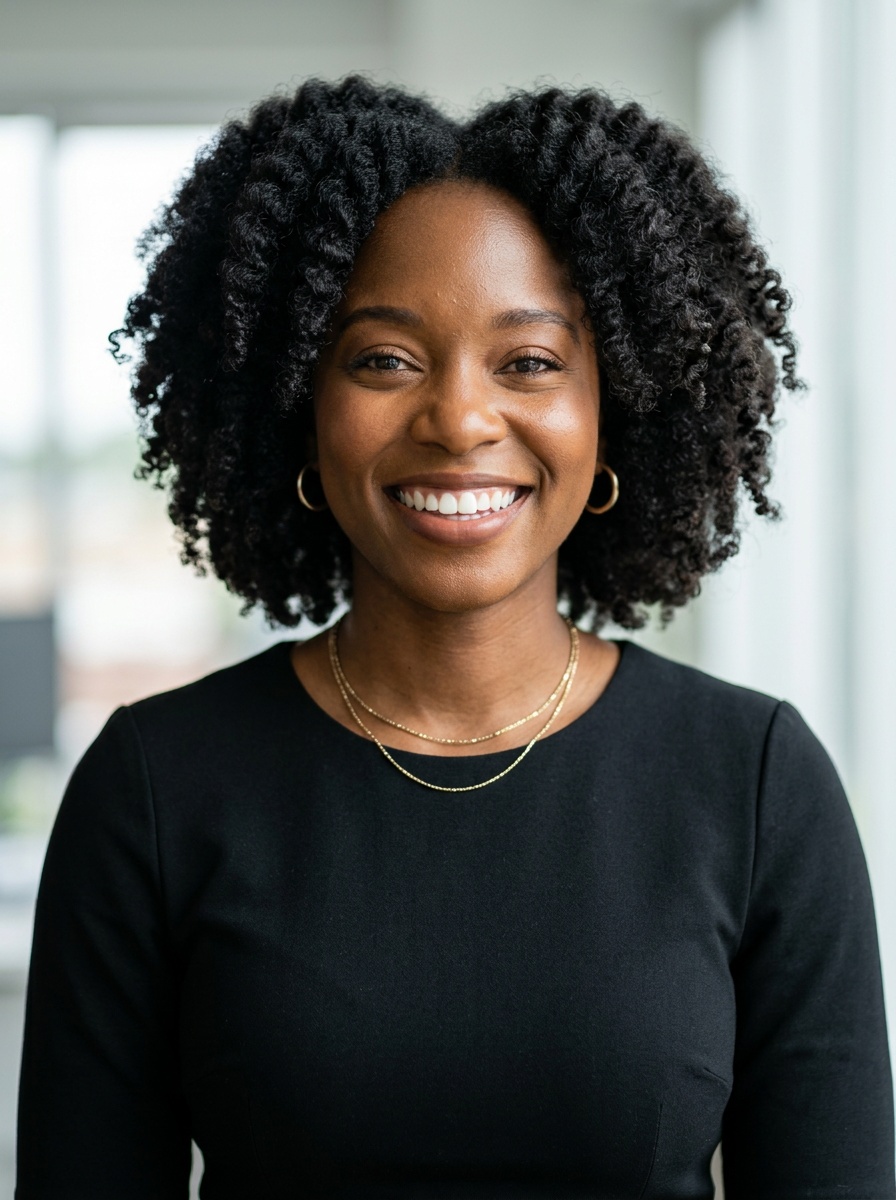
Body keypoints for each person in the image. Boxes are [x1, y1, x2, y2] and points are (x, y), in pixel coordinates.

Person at [15, 76, 895, 1199]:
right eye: (385, 359)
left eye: (529, 362)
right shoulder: (152, 789)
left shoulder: (755, 782)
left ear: (613, 411)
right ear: (300, 406)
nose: (460, 420)